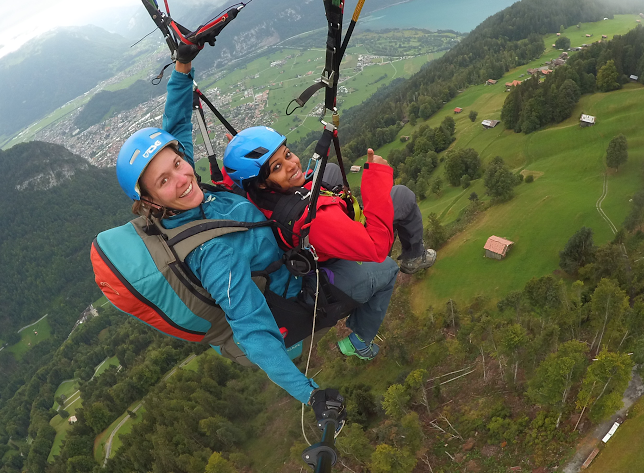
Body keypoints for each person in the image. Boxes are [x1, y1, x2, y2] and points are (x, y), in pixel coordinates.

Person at [113, 45, 342, 413]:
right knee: (376, 276)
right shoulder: (213, 253)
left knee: (327, 177)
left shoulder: (193, 199)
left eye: (177, 164)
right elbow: (251, 329)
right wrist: (309, 394)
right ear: (151, 200)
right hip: (297, 297)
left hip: (282, 257)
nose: (182, 178)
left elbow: (176, 125)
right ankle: (359, 338)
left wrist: (182, 66)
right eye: (164, 180)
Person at [222, 127, 436, 359]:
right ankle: (362, 338)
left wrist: (240, 146)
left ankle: (345, 224)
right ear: (261, 183)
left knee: (330, 170)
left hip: (300, 245)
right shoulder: (318, 219)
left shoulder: (251, 191)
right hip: (324, 270)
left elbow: (235, 178)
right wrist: (377, 179)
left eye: (287, 154)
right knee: (400, 206)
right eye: (277, 167)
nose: (292, 164)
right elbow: (377, 247)